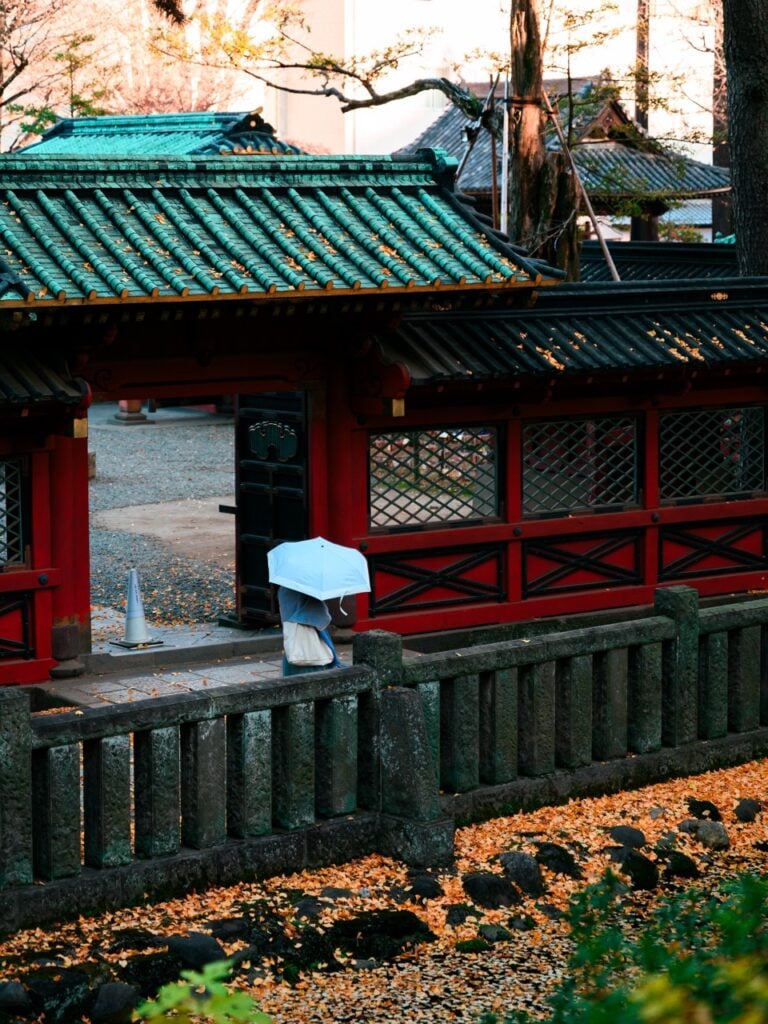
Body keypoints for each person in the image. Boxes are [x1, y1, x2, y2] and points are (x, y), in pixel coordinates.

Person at [277, 585, 343, 676]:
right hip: (311, 649)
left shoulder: (285, 586)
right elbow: (322, 618)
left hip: (294, 645)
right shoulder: (309, 588)